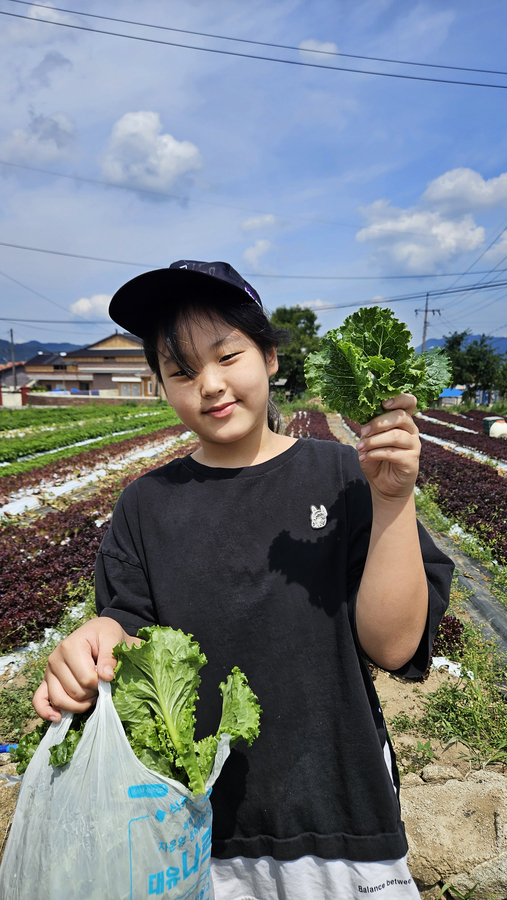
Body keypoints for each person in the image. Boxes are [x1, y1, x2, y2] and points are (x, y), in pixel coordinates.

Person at [33, 260, 453, 900]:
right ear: (161, 387)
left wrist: (394, 501)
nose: (209, 385)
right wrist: (93, 641)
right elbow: (128, 635)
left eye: (228, 356)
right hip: (194, 834)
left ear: (271, 357)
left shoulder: (341, 476)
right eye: (181, 371)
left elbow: (393, 648)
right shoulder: (146, 506)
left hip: (340, 821)